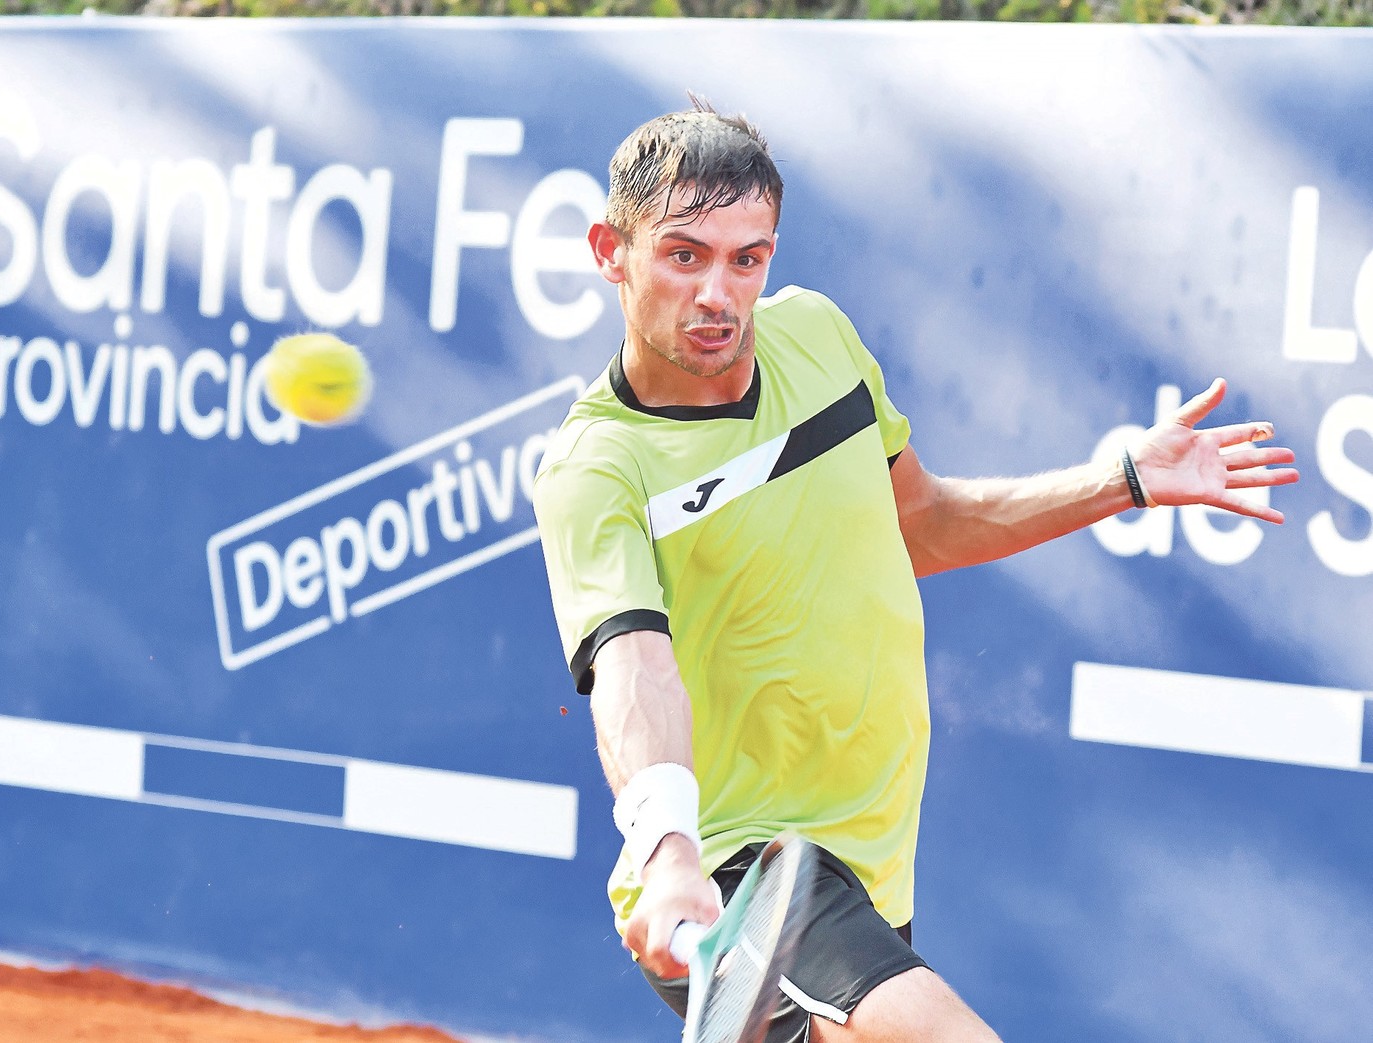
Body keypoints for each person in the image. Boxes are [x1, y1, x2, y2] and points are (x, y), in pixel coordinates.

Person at [531, 100, 1298, 1043]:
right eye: (683, 254)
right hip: (746, 870)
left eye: (747, 257)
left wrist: (1120, 479)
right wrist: (671, 852)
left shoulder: (816, 337)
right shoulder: (596, 467)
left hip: (870, 857)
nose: (717, 295)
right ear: (612, 250)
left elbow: (921, 523)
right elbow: (631, 669)